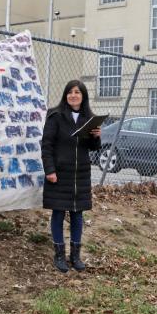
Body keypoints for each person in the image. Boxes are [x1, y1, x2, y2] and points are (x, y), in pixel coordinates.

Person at [42, 80, 101, 273]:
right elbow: (47, 145)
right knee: (58, 213)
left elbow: (93, 148)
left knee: (77, 214)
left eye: (77, 92)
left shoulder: (89, 118)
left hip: (80, 175)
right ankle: (59, 255)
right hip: (60, 173)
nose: (73, 95)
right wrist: (49, 170)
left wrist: (96, 136)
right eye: (70, 92)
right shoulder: (55, 116)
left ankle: (75, 256)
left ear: (83, 96)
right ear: (65, 95)